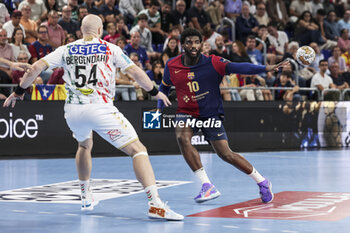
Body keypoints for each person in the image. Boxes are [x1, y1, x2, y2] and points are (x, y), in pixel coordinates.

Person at [3, 14, 183, 221]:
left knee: (84, 144)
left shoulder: (66, 49)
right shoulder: (110, 48)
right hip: (100, 108)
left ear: (81, 31)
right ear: (100, 31)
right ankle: (155, 204)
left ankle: (85, 196)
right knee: (138, 150)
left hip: (72, 111)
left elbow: (35, 68)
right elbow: (136, 73)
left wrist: (17, 92)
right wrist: (155, 92)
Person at [157, 28, 288, 203]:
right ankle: (206, 186)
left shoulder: (214, 62)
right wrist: (159, 108)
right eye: (189, 42)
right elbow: (164, 88)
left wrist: (266, 68)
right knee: (182, 137)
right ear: (183, 45)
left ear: (202, 44)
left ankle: (262, 181)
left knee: (226, 154)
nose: (193, 45)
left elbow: (240, 67)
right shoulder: (172, 65)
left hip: (210, 113)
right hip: (186, 113)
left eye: (197, 42)